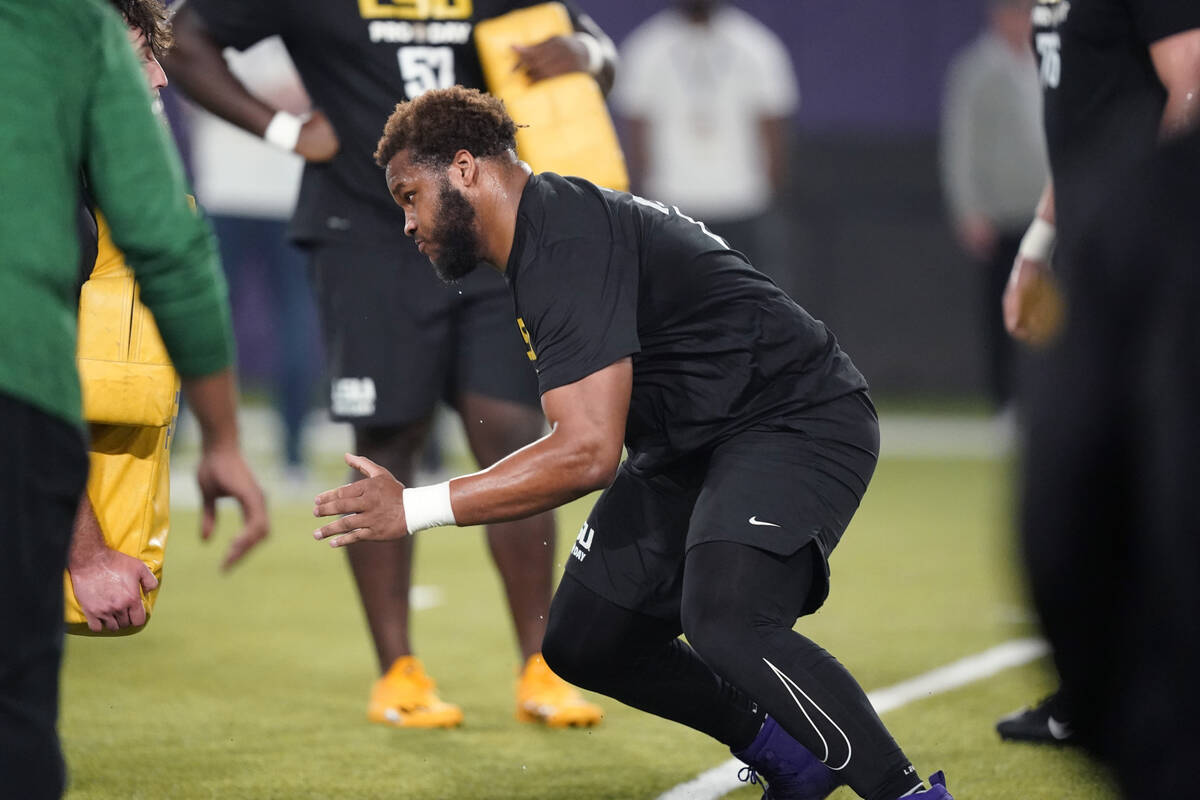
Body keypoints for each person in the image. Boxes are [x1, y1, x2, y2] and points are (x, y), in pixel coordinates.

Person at [314, 86, 953, 800]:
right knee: (585, 638)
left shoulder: (562, 236)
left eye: (409, 196)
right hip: (689, 439)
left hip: (791, 414)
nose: (407, 223)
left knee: (728, 619)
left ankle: (906, 795)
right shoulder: (540, 240)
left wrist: (414, 508)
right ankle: (790, 758)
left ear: (464, 169)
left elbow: (587, 453)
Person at [162, 0, 614, 729]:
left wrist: (586, 61)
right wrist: (282, 128)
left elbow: (591, 46)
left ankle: (542, 663)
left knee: (512, 426)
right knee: (386, 437)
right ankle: (397, 670)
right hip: (365, 235)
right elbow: (184, 36)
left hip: (482, 237)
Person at [0, 0, 268, 796]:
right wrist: (85, 551)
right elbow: (171, 250)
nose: (156, 75)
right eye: (140, 53)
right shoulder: (69, 37)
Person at [1000, 0, 1200, 756]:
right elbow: (1082, 124)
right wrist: (1042, 239)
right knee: (1096, 480)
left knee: (1161, 476)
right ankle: (1099, 694)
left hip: (1160, 270)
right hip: (1100, 259)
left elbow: (1193, 78)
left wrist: (1160, 228)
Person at [186, 37, 318, 483]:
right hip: (249, 185)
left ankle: (294, 454)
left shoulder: (207, 16)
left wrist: (232, 90)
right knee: (205, 319)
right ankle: (291, 460)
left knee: (209, 317)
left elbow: (190, 74)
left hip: (257, 187)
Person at [612, 0, 797, 291]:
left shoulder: (757, 47)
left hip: (744, 205)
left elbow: (774, 129)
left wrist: (768, 197)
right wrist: (647, 201)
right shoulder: (647, 48)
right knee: (675, 311)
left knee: (753, 311)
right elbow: (635, 132)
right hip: (672, 206)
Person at [938, 0, 1047, 414]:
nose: (1018, 22)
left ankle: (1047, 394)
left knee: (1053, 308)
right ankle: (1007, 400)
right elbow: (960, 143)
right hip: (1003, 212)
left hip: (1049, 210)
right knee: (1005, 309)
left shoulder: (1052, 62)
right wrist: (969, 208)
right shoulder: (976, 69)